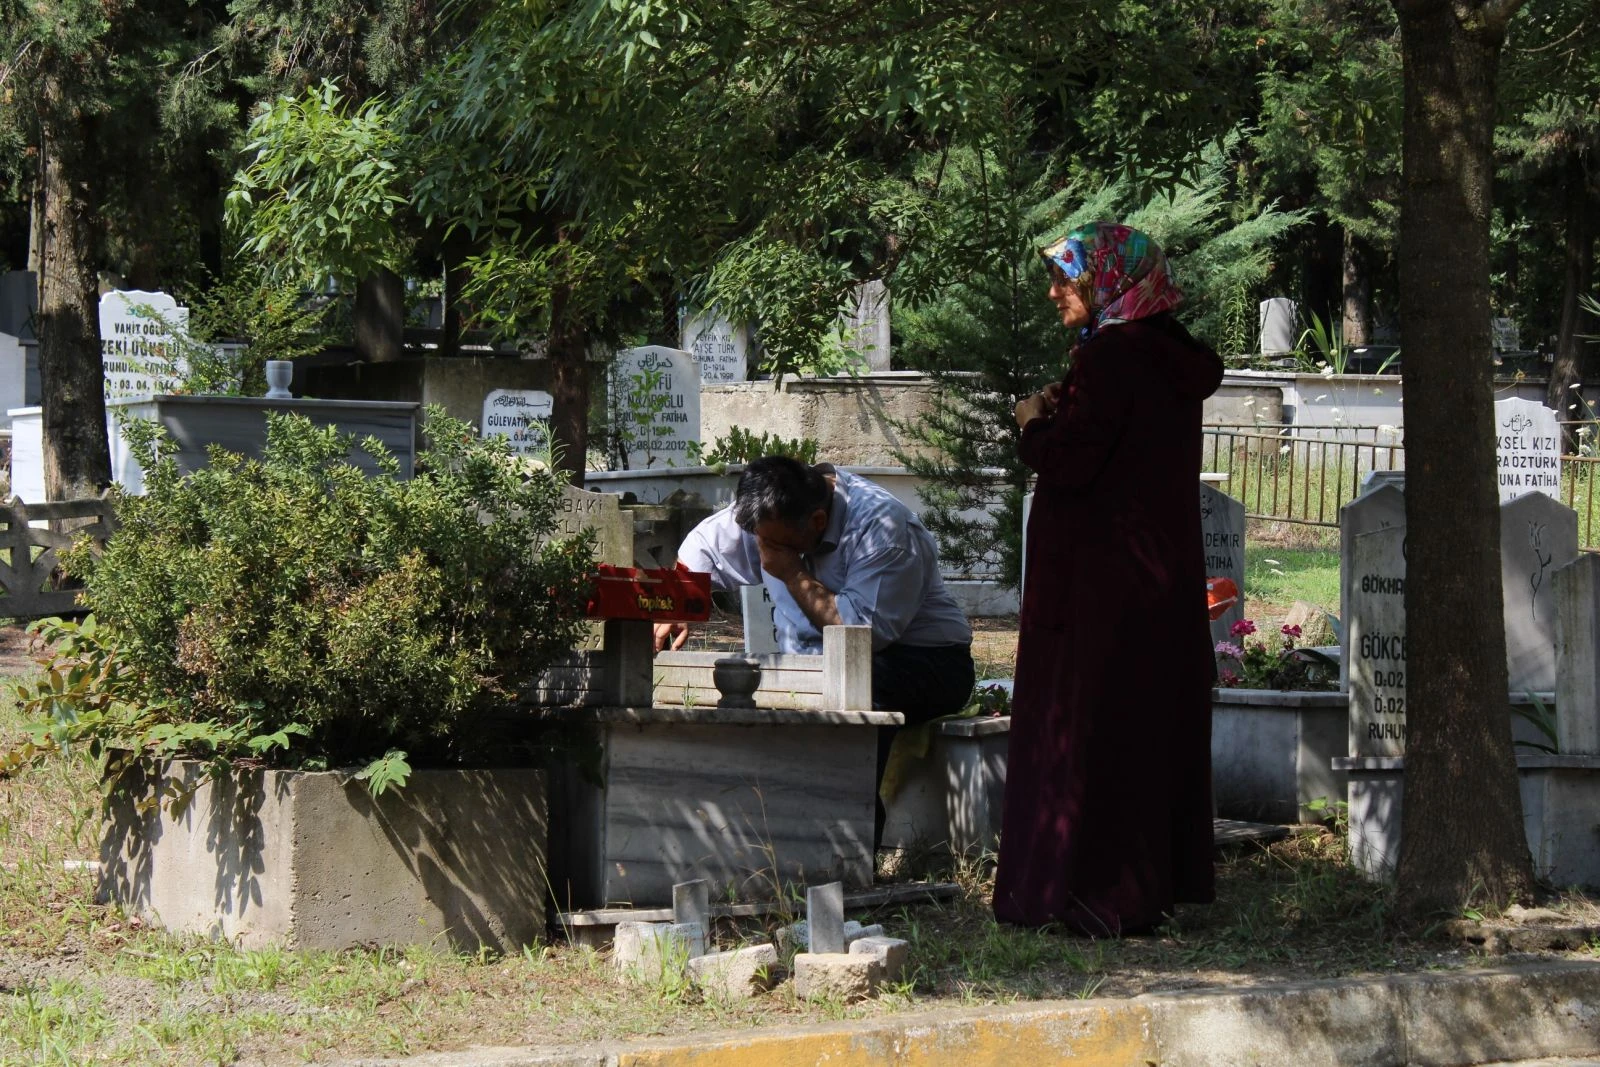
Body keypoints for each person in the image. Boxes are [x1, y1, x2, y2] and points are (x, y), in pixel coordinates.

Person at [993, 222, 1222, 935]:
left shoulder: (1113, 358)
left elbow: (1070, 462)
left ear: (1109, 282)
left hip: (1096, 583)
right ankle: (1139, 885)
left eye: (1069, 279)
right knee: (1140, 726)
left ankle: (1089, 892)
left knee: (1087, 726)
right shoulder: (1166, 355)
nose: (1055, 291)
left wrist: (1032, 423)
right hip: (1154, 578)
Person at [658, 457, 976, 835]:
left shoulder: (884, 528)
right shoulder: (772, 508)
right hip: (816, 664)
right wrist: (680, 603)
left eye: (775, 546)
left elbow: (859, 636)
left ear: (818, 523)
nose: (765, 554)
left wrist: (793, 572)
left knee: (854, 688)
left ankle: (845, 842)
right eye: (760, 541)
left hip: (922, 661)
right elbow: (702, 548)